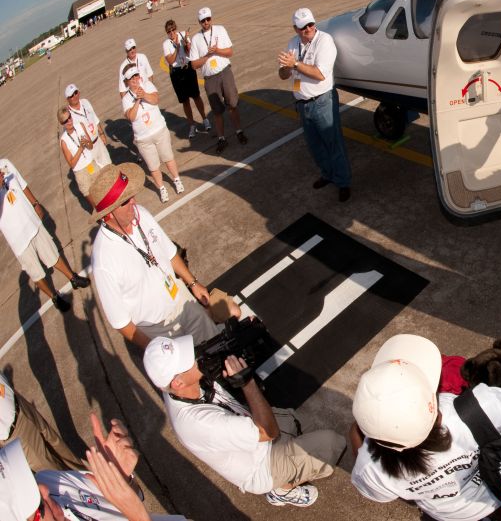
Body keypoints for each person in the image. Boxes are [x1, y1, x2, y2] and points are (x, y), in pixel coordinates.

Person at [349, 334, 501, 520]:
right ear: (435, 411)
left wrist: (359, 435)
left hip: (451, 514)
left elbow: (379, 493)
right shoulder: (477, 407)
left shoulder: (371, 468)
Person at [144, 335, 346, 508]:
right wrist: (246, 382)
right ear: (177, 382)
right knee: (332, 444)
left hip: (249, 430)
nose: (197, 356)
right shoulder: (199, 423)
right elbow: (268, 431)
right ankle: (282, 490)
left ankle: (290, 466)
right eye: (189, 359)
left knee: (297, 422)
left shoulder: (180, 387)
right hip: (260, 465)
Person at [89, 163, 227, 349]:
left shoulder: (142, 214)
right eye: (125, 201)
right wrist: (155, 349)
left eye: (131, 196)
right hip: (157, 329)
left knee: (215, 346)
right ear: (108, 215)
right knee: (191, 375)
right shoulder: (104, 260)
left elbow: (170, 253)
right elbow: (121, 323)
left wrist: (193, 283)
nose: (134, 202)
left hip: (182, 300)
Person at [0, 415, 187, 521]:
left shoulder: (48, 479)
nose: (43, 489)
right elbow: (133, 509)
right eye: (37, 503)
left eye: (30, 481)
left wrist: (120, 475)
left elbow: (127, 498)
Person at [277, 8, 352, 202]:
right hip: (302, 104)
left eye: (311, 24)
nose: (309, 29)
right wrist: (286, 68)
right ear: (295, 29)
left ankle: (343, 182)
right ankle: (327, 174)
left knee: (333, 143)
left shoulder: (324, 41)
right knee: (315, 145)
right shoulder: (292, 44)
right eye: (303, 27)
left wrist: (295, 64)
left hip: (322, 102)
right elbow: (283, 75)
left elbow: (320, 74)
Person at [0, 157, 89, 313]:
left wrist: (35, 203)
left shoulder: (5, 163)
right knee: (36, 272)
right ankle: (54, 296)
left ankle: (73, 278)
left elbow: (22, 184)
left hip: (32, 222)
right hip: (17, 239)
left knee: (52, 253)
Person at [1, 369, 85, 473]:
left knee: (57, 444)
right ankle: (83, 487)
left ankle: (90, 478)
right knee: (52, 470)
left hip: (19, 404)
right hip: (14, 433)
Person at [188, 7, 247, 153]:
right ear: (199, 22)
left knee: (232, 104)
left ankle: (239, 131)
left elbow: (230, 52)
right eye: (203, 20)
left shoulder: (220, 30)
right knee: (217, 110)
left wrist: (217, 51)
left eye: (208, 19)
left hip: (225, 72)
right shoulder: (196, 39)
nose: (206, 22)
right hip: (210, 78)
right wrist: (208, 55)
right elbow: (194, 64)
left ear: (211, 18)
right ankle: (221, 138)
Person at [121, 65, 184, 202]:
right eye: (132, 78)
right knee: (153, 166)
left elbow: (156, 100)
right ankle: (162, 188)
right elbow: (131, 117)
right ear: (127, 81)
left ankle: (176, 180)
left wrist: (144, 94)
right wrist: (137, 100)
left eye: (136, 75)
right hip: (143, 138)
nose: (135, 79)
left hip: (159, 130)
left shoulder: (147, 85)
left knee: (168, 157)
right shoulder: (126, 99)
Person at [162, 19, 211, 139]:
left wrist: (186, 44)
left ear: (176, 28)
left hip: (188, 68)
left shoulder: (183, 35)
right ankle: (192, 125)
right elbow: (170, 60)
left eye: (173, 30)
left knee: (196, 95)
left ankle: (205, 119)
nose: (172, 33)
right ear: (167, 33)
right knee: (185, 101)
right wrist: (178, 48)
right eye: (169, 31)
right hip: (177, 72)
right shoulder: (166, 44)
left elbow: (190, 52)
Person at [58, 105, 108, 196]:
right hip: (81, 172)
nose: (69, 121)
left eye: (70, 117)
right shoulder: (64, 141)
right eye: (66, 121)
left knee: (104, 192)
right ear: (62, 123)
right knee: (94, 201)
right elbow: (72, 164)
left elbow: (91, 146)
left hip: (91, 165)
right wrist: (80, 148)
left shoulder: (80, 125)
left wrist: (87, 142)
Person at [65, 83, 112, 167]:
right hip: (88, 150)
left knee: (109, 167)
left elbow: (95, 118)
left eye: (75, 92)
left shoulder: (85, 102)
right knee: (98, 175)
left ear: (79, 92)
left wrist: (101, 134)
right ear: (67, 99)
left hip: (98, 142)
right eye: (71, 95)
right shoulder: (68, 115)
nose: (74, 96)